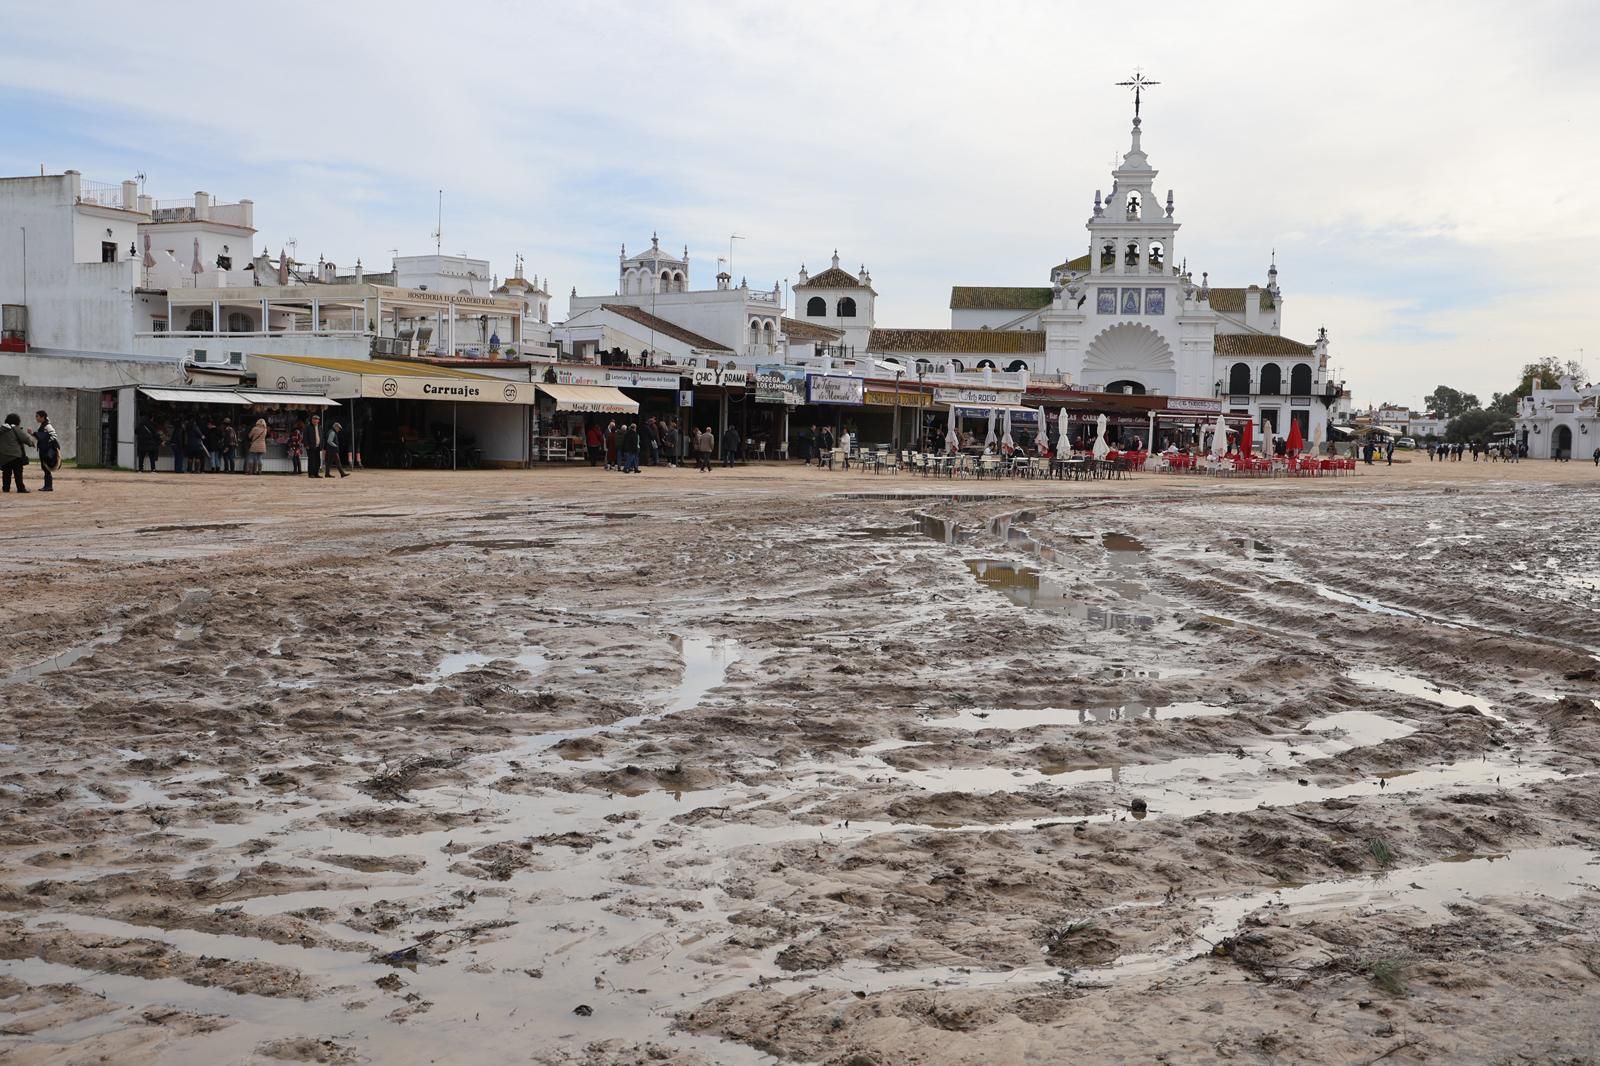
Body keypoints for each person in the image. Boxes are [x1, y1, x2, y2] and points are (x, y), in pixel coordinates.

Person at [0, 413, 35, 493]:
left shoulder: (1, 429)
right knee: (18, 473)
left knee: (6, 473)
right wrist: (31, 443)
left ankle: (6, 488)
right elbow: (24, 438)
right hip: (15, 455)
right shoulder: (15, 428)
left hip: (3, 456)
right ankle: (20, 488)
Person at [33, 411, 60, 492]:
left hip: (47, 450)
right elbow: (41, 437)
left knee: (46, 466)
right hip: (44, 449)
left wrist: (47, 443)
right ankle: (47, 485)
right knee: (45, 467)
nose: (36, 418)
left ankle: (48, 486)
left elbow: (54, 435)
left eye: (37, 416)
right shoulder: (43, 425)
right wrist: (33, 434)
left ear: (42, 417)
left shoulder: (47, 426)